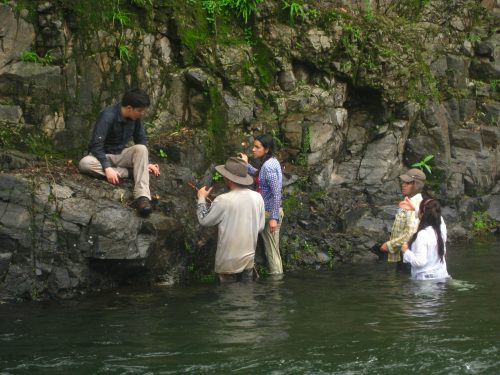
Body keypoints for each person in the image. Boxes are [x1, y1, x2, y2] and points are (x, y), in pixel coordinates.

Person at [78, 89, 160, 217]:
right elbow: (96, 145)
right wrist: (107, 168)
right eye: (140, 110)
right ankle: (131, 172)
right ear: (129, 108)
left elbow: (141, 140)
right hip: (101, 157)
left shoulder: (136, 117)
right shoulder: (108, 116)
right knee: (84, 163)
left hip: (120, 155)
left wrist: (146, 162)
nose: (142, 113)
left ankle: (142, 197)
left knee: (141, 149)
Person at [197, 157, 265, 283]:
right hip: (248, 261)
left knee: (228, 298)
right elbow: (260, 227)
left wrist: (201, 198)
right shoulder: (258, 197)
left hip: (228, 263)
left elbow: (204, 220)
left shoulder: (222, 200)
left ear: (228, 178)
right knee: (246, 297)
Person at [240, 134, 284, 276]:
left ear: (267, 149)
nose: (253, 149)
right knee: (271, 250)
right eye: (254, 146)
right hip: (265, 212)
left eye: (257, 147)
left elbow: (277, 192)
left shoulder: (269, 167)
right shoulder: (269, 162)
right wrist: (246, 166)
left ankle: (276, 285)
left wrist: (274, 218)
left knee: (272, 251)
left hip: (269, 213)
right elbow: (260, 176)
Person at [378, 168, 426, 267]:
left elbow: (410, 234)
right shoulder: (408, 201)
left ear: (416, 185)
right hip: (403, 254)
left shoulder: (415, 204)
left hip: (410, 256)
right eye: (403, 182)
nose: (403, 185)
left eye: (408, 183)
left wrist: (388, 245)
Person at [401, 198, 450, 280]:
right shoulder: (440, 230)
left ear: (422, 213)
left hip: (425, 280)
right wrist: (417, 208)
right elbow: (434, 214)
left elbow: (420, 262)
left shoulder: (422, 234)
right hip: (441, 275)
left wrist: (406, 251)